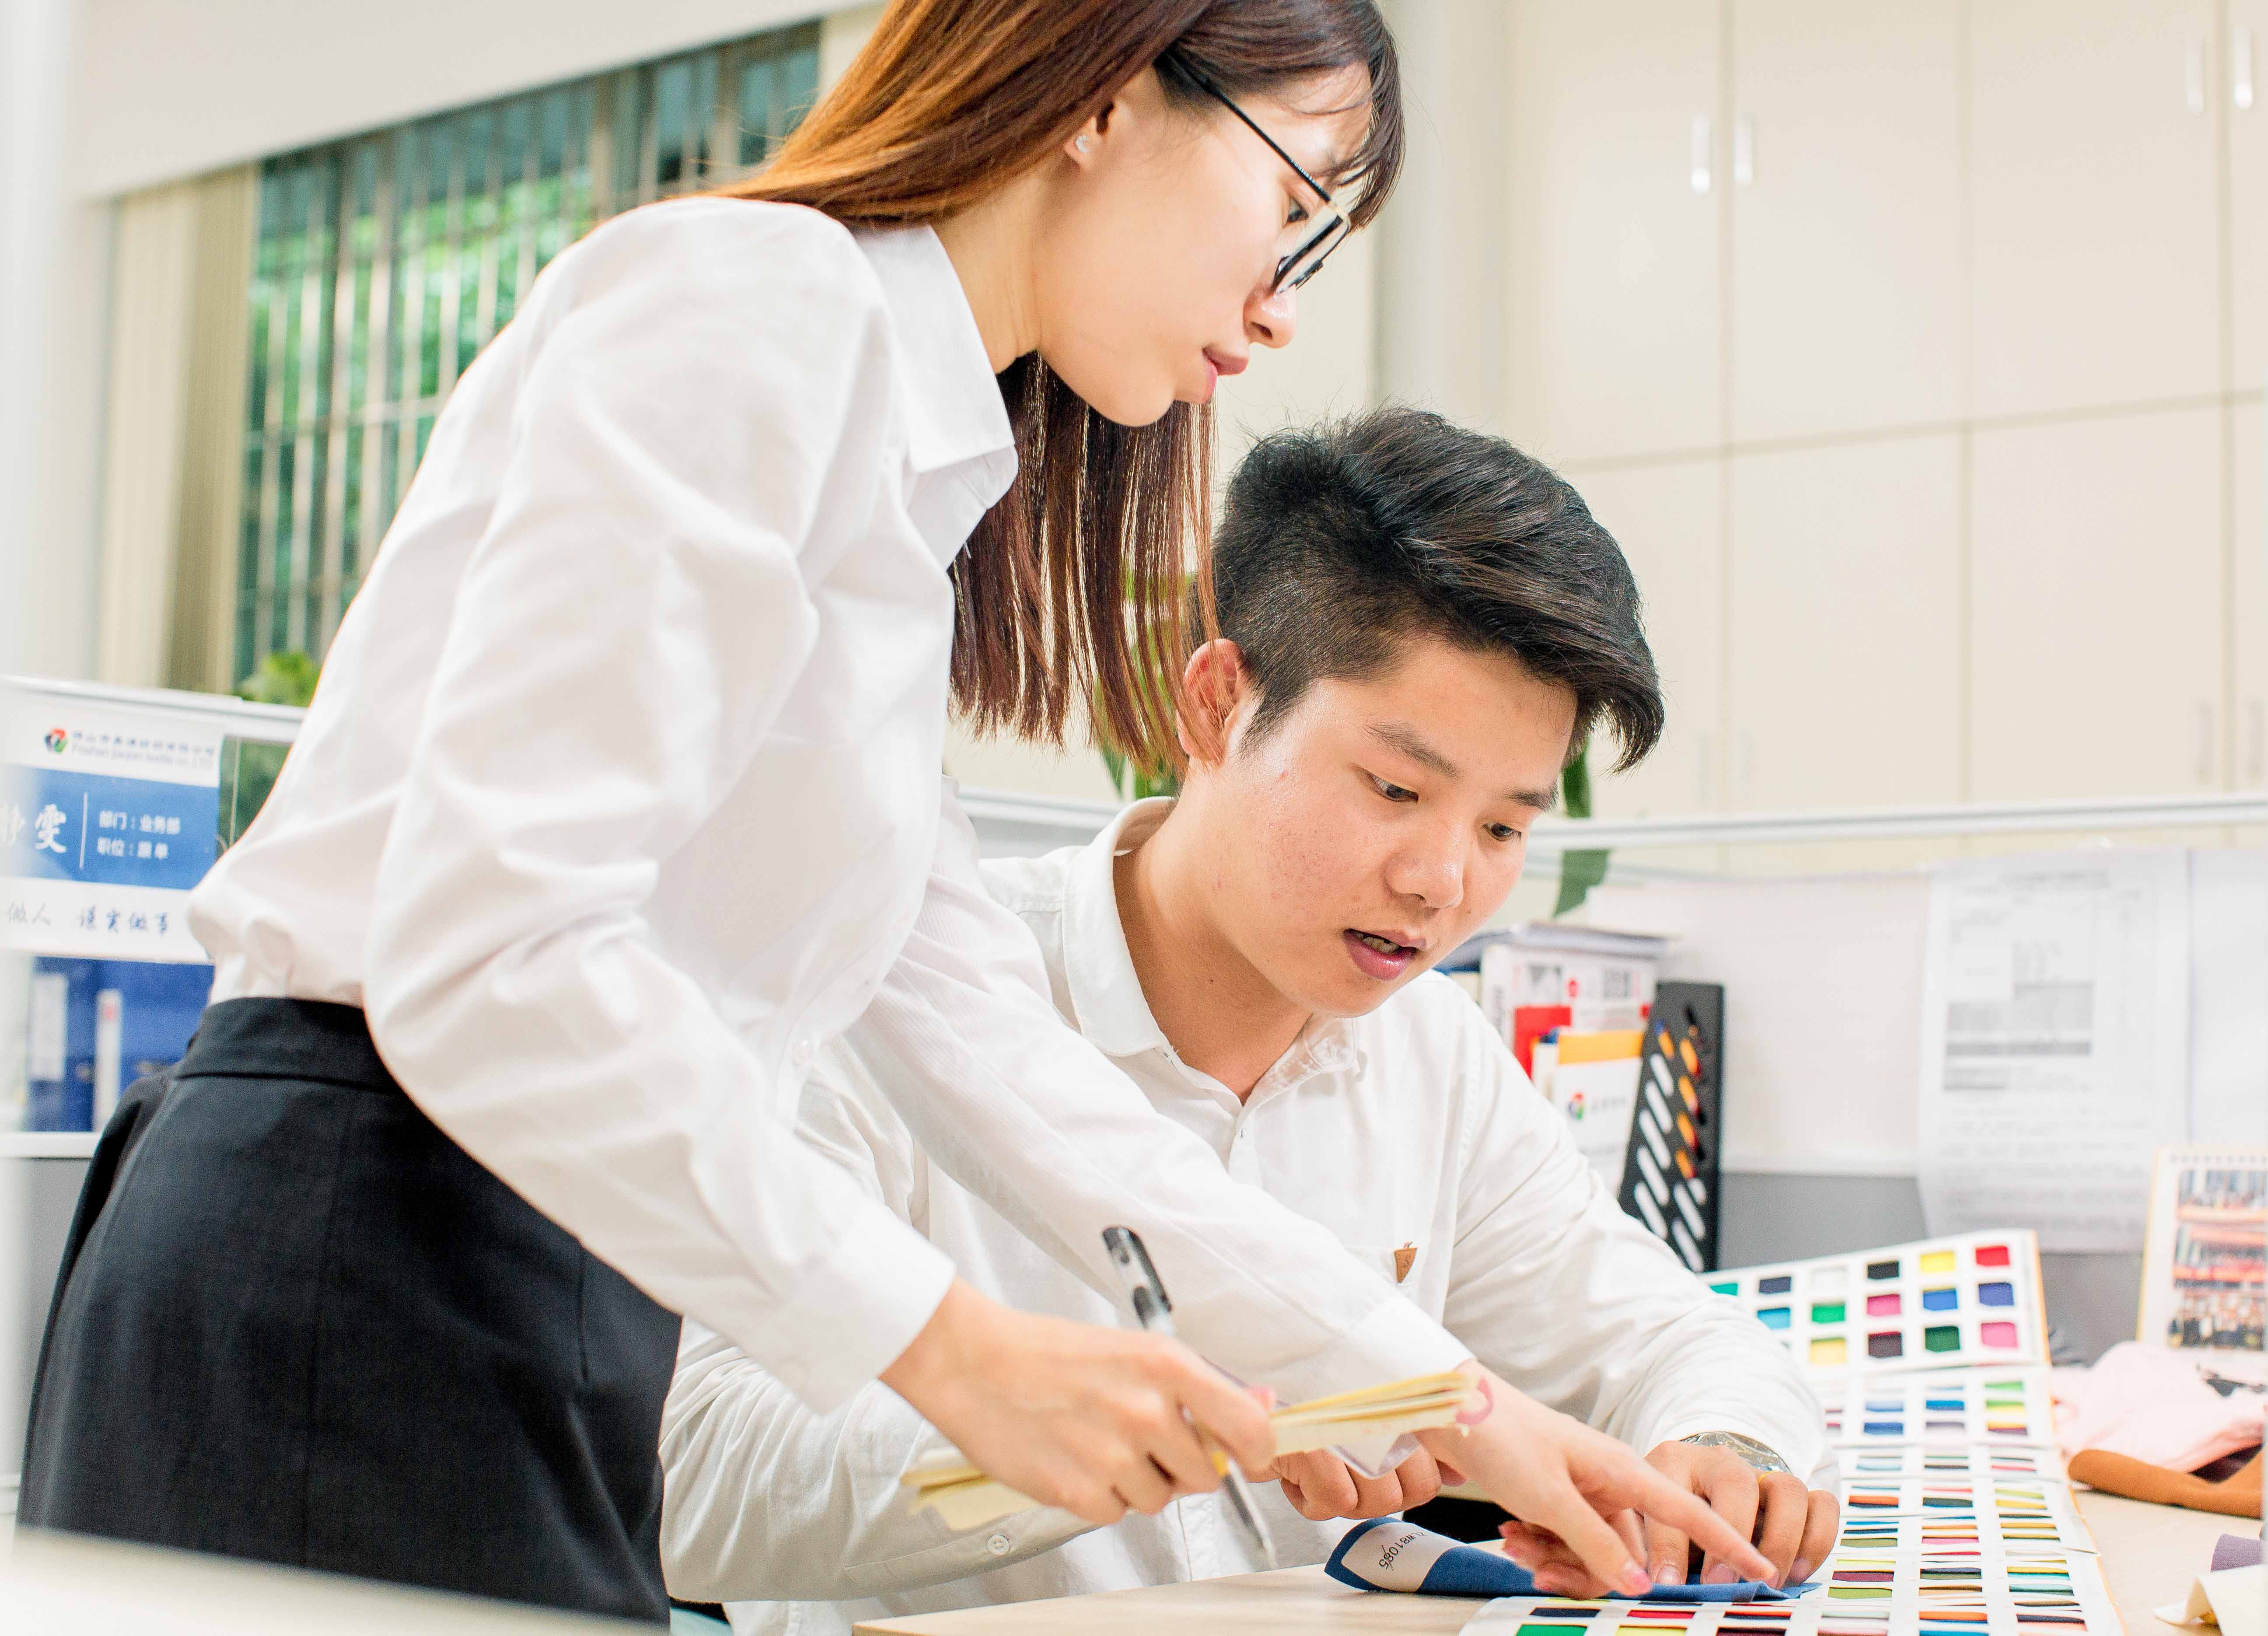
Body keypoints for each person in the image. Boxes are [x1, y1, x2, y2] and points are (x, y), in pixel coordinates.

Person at [18, 1, 1769, 1621]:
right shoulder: (757, 304)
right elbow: (491, 949)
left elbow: (994, 1049)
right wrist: (948, 1346)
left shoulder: (901, 475)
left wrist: (1454, 1407)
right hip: (361, 1240)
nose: (1279, 308)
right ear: (1108, 96)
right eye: (1294, 206)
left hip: (524, 1261)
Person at [658, 409, 1841, 1633]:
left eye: (1503, 827)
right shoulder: (886, 987)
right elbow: (690, 1473)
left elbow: (1668, 1334)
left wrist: (1726, 1447)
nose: (1441, 882)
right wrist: (1129, 1421)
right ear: (1217, 703)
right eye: (1395, 788)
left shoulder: (1430, 1056)